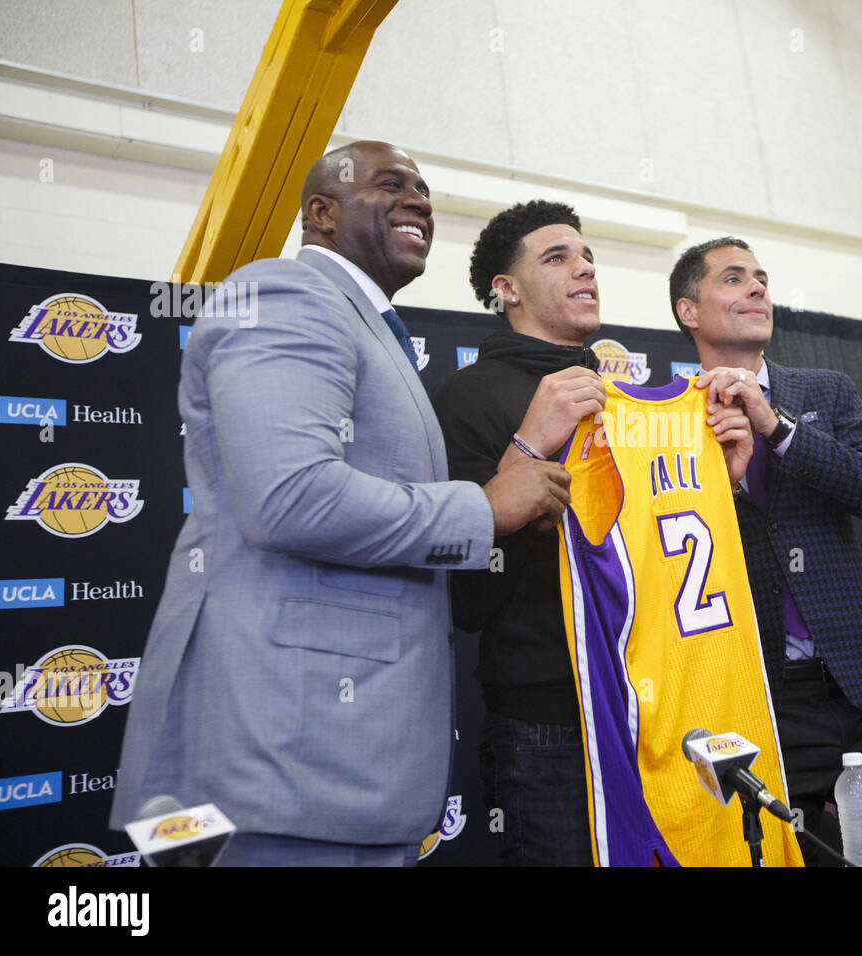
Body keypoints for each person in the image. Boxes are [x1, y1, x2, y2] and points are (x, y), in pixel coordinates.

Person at [109, 142, 569, 866]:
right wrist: (484, 508)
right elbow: (290, 497)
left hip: (346, 768)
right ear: (321, 214)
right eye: (392, 185)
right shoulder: (285, 295)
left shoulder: (366, 328)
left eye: (424, 190)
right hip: (287, 758)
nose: (420, 200)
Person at [432, 202, 753, 865]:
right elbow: (465, 598)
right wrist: (526, 453)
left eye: (587, 257)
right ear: (506, 288)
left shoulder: (629, 396)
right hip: (552, 721)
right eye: (556, 258)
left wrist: (728, 479)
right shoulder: (464, 399)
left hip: (665, 707)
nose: (583, 269)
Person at [671, 236, 862, 866]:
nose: (757, 289)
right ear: (687, 311)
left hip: (861, 681)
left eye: (762, 278)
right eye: (732, 279)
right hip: (761, 695)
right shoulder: (669, 417)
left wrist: (776, 430)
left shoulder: (824, 393)